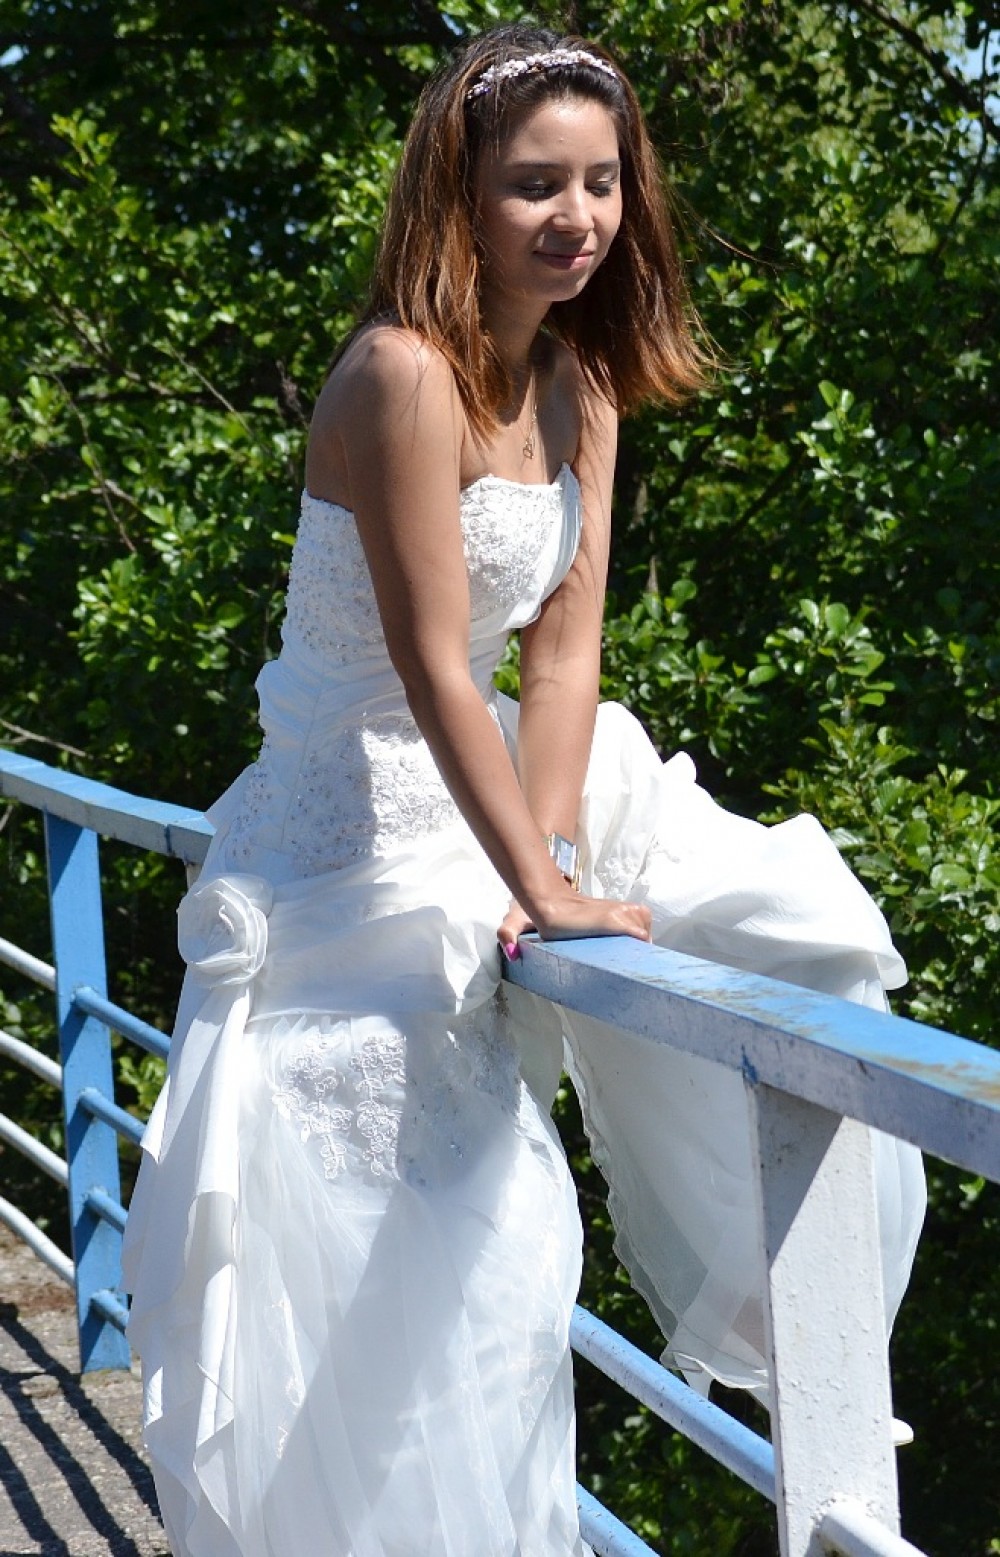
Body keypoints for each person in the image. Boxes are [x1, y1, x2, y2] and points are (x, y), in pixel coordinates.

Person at [122, 23, 925, 1557]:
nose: (579, 216)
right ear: (460, 196)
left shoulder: (582, 387)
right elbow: (436, 665)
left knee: (515, 1266)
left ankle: (782, 1300)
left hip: (483, 823)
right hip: (346, 865)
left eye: (604, 182)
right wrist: (542, 889)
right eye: (536, 184)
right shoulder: (398, 375)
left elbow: (561, 662)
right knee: (376, 1288)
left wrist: (545, 859)